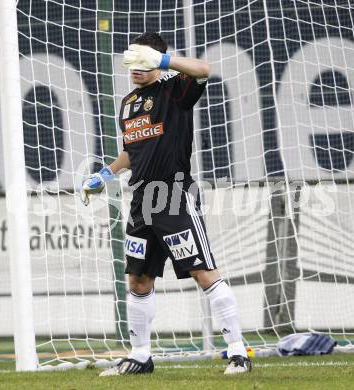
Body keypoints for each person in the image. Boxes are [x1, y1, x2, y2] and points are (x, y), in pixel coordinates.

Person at [81, 32, 252, 376]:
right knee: (138, 280)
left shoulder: (175, 89)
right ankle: (140, 356)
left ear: (156, 61)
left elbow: (204, 68)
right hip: (141, 201)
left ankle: (238, 352)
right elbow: (133, 149)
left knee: (203, 274)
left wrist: (162, 61)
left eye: (143, 62)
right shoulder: (129, 102)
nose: (136, 69)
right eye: (133, 61)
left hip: (173, 196)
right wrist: (105, 175)